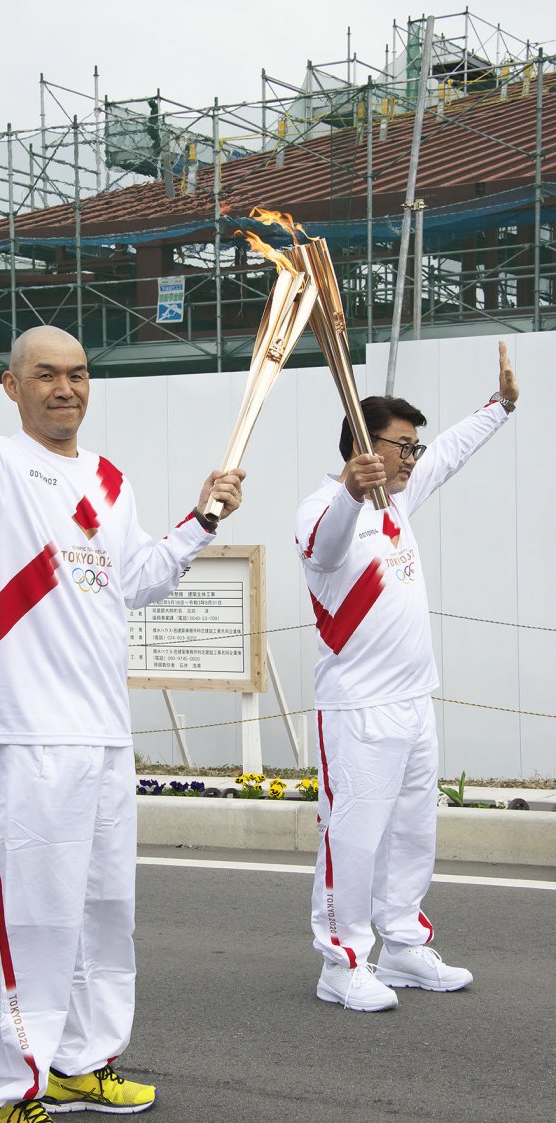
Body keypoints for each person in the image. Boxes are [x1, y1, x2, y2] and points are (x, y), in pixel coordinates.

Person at [0, 229, 245, 1122]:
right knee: (30, 917)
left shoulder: (111, 480)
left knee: (104, 913)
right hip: (33, 732)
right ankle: (15, 1085)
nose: (66, 387)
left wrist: (200, 520)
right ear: (13, 386)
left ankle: (87, 1061)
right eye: (47, 374)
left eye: (79, 373)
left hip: (103, 733)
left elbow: (135, 582)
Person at [295, 343, 519, 1013]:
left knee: (414, 832)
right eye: (404, 447)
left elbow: (450, 451)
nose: (415, 457)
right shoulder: (321, 510)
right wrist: (350, 491)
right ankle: (341, 960)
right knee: (355, 837)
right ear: (366, 448)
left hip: (414, 700)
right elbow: (327, 547)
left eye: (414, 448)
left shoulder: (395, 501)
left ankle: (402, 944)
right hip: (358, 709)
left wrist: (500, 407)